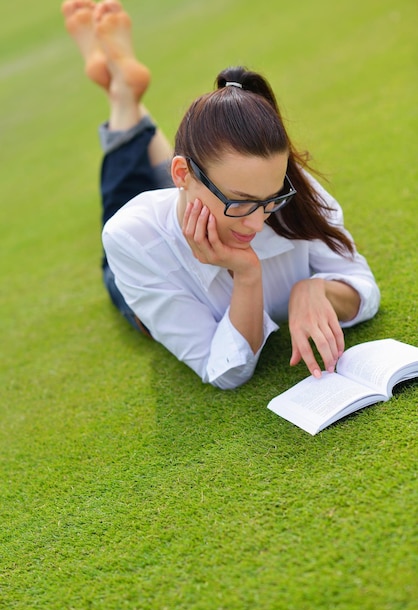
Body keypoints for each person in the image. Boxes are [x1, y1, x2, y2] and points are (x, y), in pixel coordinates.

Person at [62, 0, 380, 390]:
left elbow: (361, 284)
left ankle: (127, 94)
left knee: (203, 182)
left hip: (196, 186)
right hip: (147, 267)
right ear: (182, 174)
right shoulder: (134, 238)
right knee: (122, 195)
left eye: (269, 200)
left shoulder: (287, 191)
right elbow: (225, 372)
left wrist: (315, 289)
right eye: (242, 202)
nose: (257, 221)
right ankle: (124, 98)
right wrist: (247, 274)